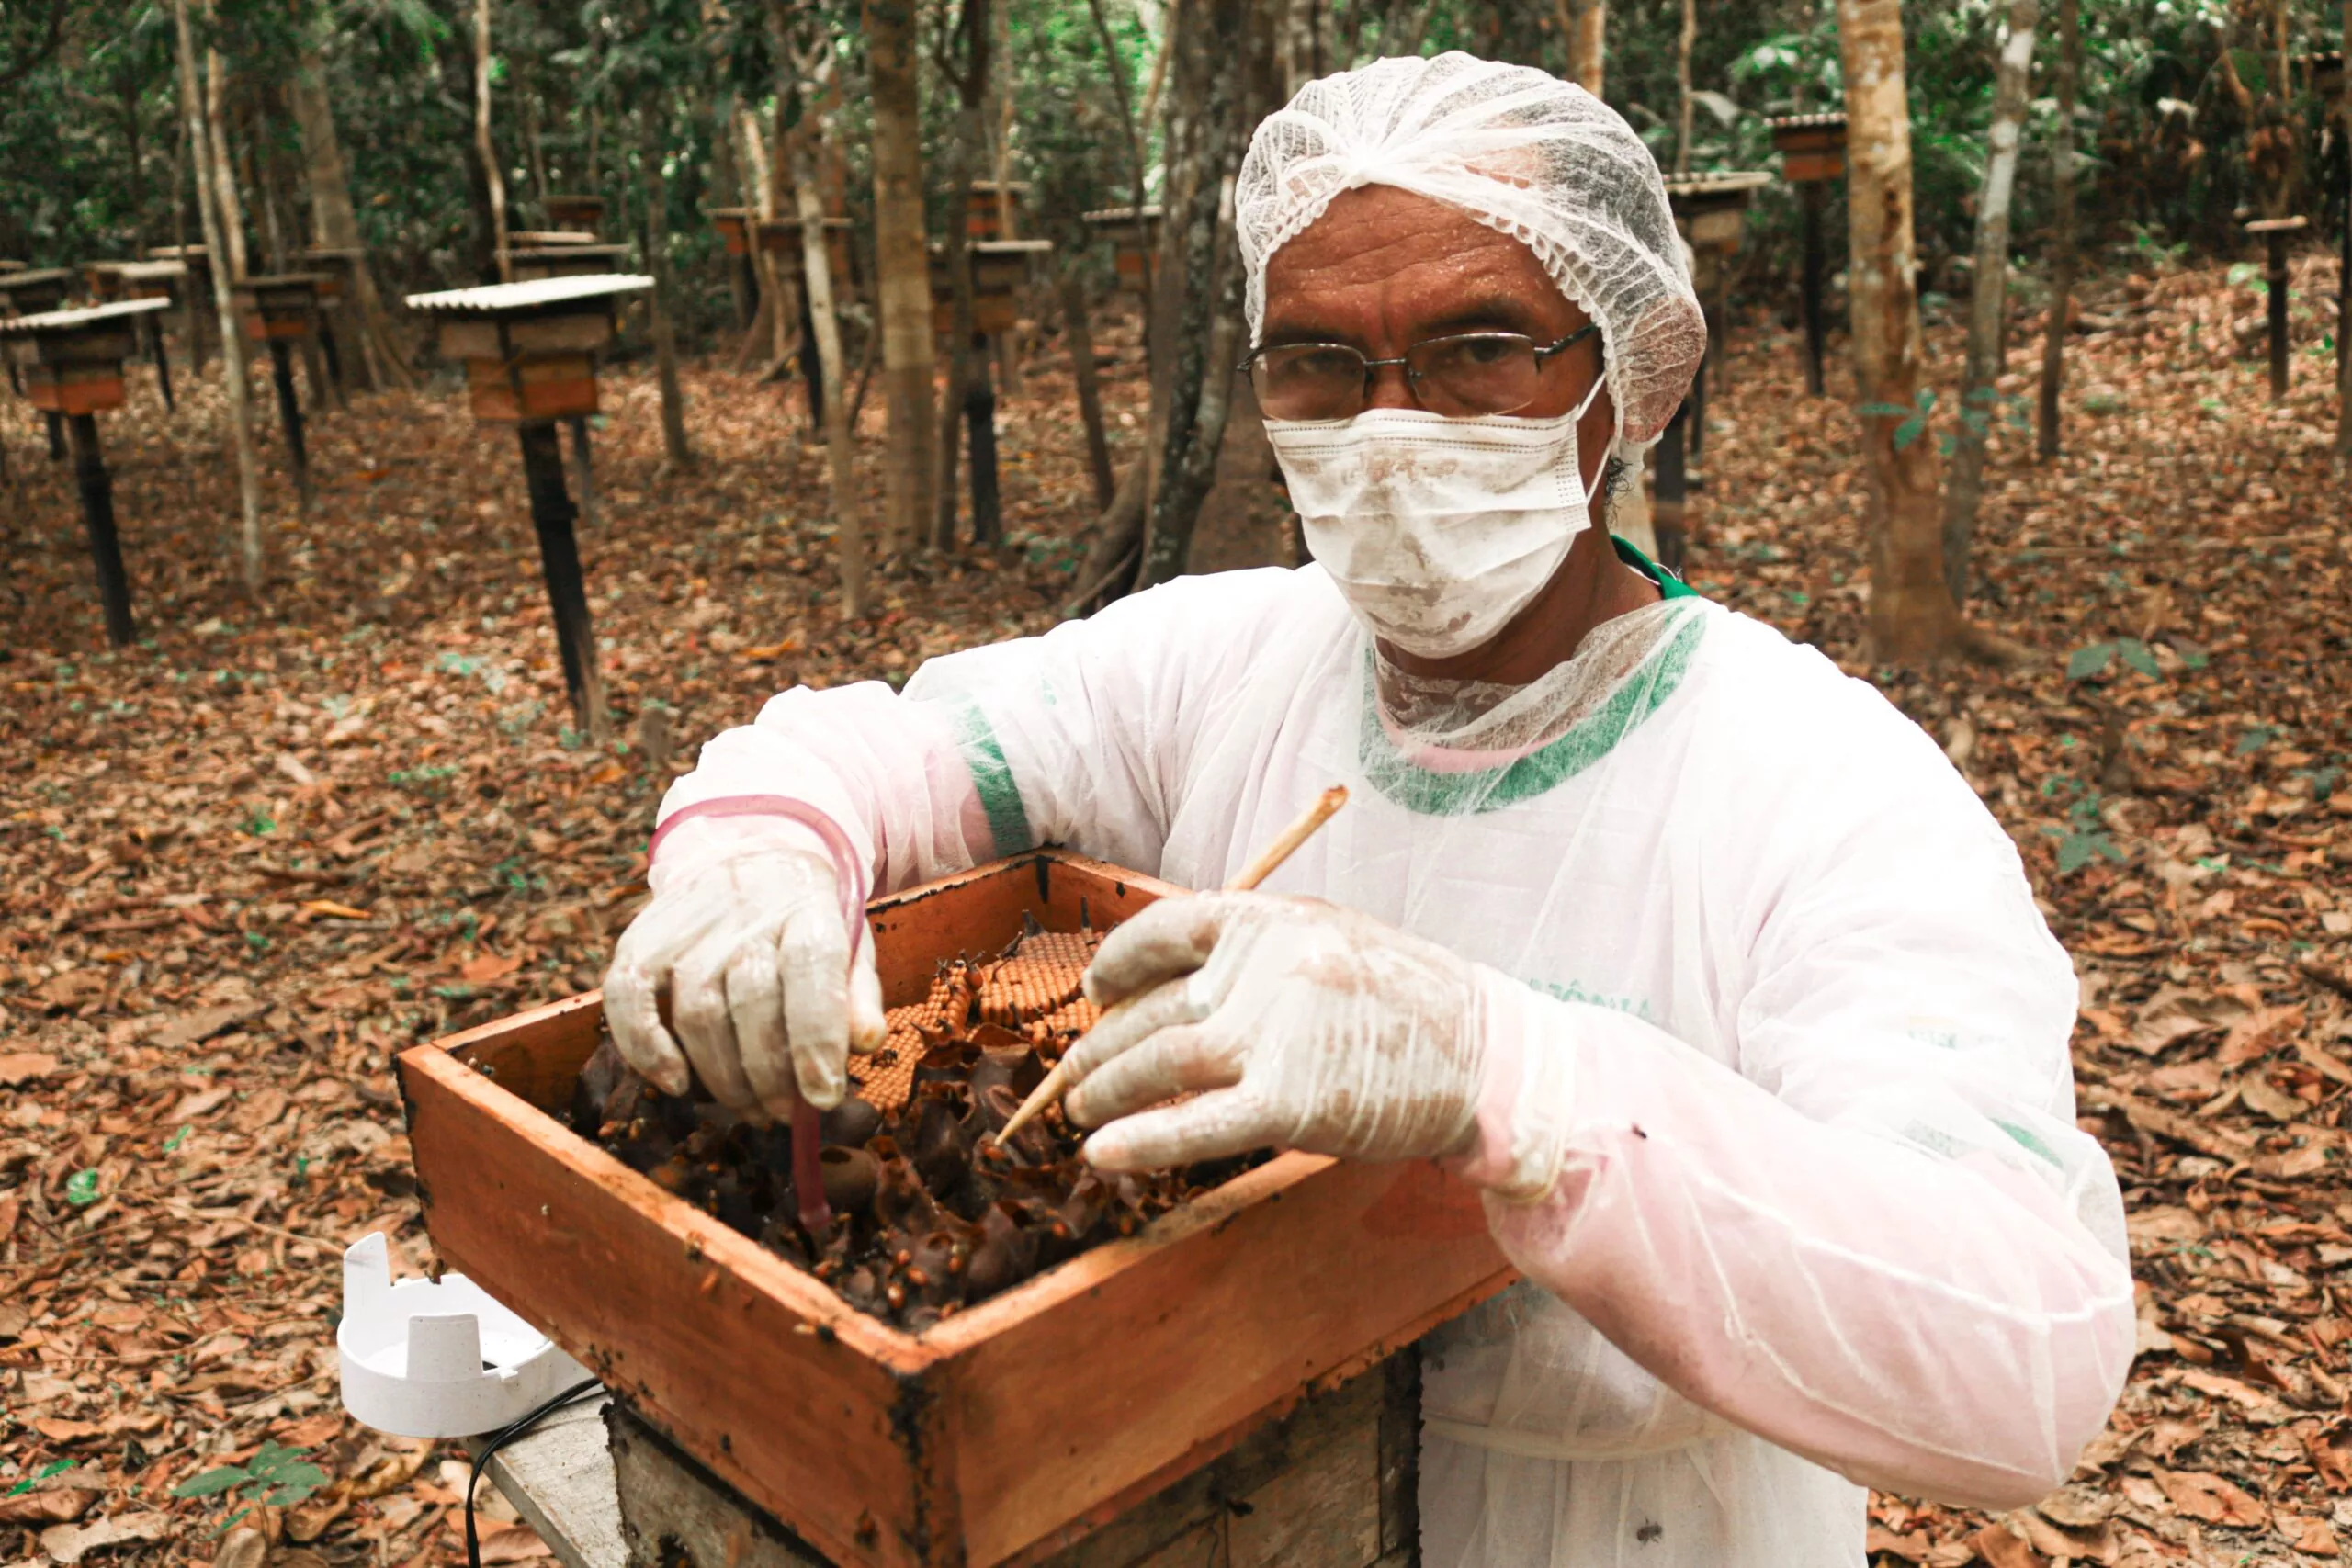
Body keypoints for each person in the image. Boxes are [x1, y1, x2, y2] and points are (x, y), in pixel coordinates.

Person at [605, 52, 2132, 1567]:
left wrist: (1509, 1069)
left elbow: (2024, 1365)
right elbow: (885, 754)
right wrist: (760, 851)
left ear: (1623, 374)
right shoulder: (1221, 661)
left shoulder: (1818, 784)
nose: (1388, 425)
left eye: (1480, 347)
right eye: (1320, 361)